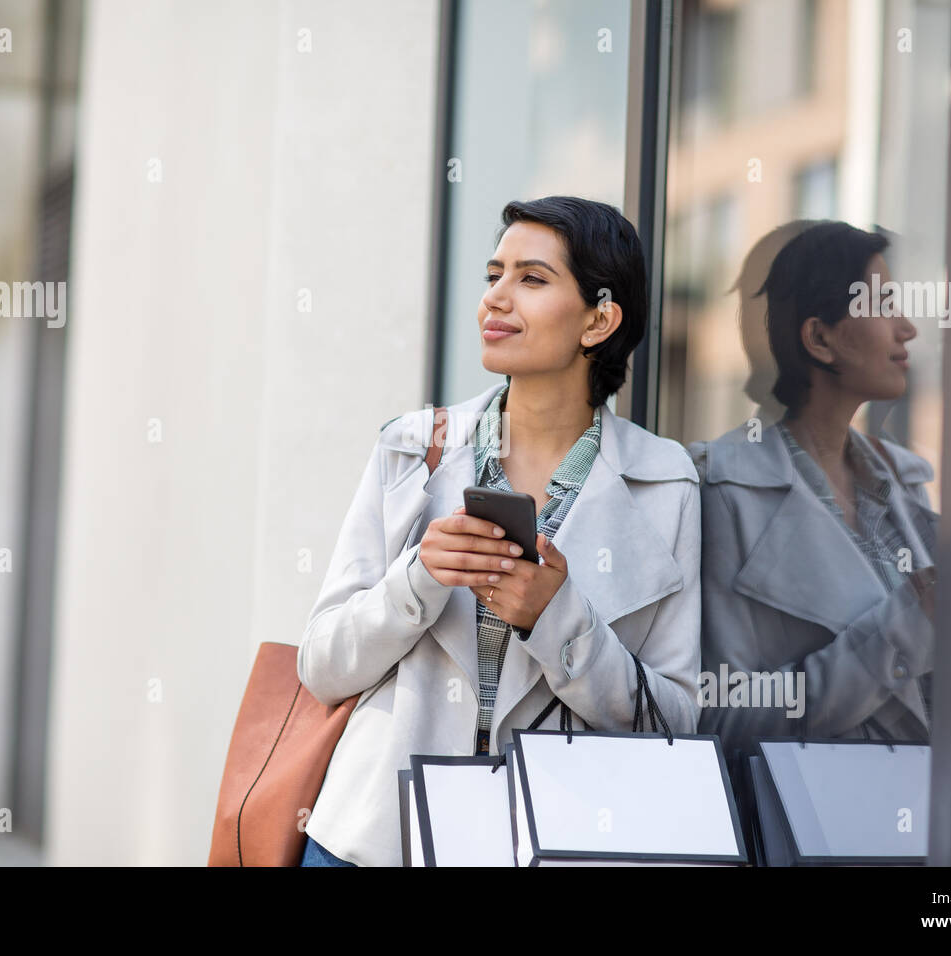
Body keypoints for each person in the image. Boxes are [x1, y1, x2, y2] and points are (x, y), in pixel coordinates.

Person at [297, 196, 702, 866]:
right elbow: (322, 665)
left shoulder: (666, 482)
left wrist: (558, 620)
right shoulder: (410, 448)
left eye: (532, 279)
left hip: (558, 840)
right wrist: (418, 578)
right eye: (494, 275)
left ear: (599, 320)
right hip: (375, 842)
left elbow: (676, 719)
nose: (496, 299)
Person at [689, 221, 939, 762]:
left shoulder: (904, 483)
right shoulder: (724, 490)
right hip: (821, 832)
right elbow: (719, 718)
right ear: (819, 337)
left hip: (931, 825)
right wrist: (904, 628)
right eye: (883, 304)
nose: (907, 329)